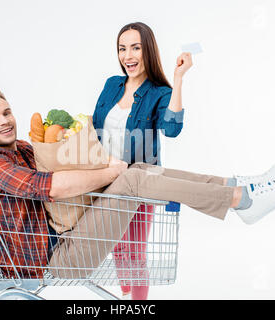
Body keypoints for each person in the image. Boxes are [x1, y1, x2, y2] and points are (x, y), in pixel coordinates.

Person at [0, 86, 275, 285]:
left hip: (68, 235)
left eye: (6, 112)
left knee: (140, 168)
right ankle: (241, 200)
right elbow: (50, 188)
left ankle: (236, 186)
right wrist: (111, 174)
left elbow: (62, 173)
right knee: (128, 176)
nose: (4, 122)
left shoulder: (25, 147)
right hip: (52, 258)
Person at [92, 21, 191, 300]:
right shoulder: (112, 85)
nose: (128, 56)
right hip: (106, 179)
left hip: (140, 183)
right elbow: (96, 127)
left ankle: (137, 303)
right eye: (123, 49)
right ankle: (125, 295)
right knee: (116, 247)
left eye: (136, 47)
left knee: (134, 250)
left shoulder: (159, 92)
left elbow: (171, 129)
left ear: (147, 50)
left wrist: (179, 78)